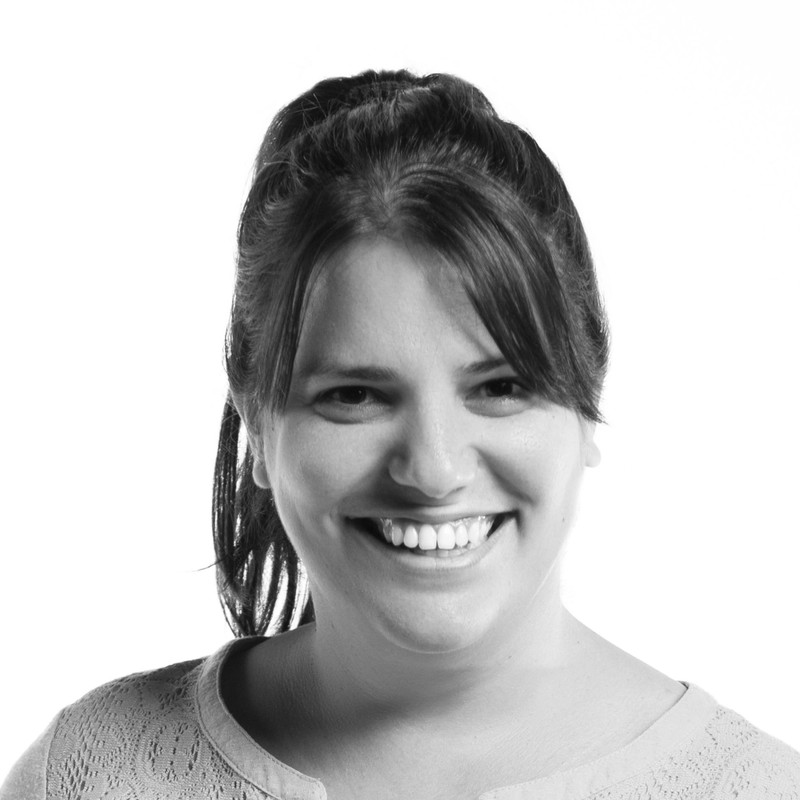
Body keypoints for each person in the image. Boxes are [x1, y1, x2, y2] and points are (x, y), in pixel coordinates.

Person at [3, 69, 799, 800]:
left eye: (500, 387)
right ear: (255, 420)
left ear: (587, 401)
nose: (434, 467)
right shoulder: (86, 775)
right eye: (354, 395)